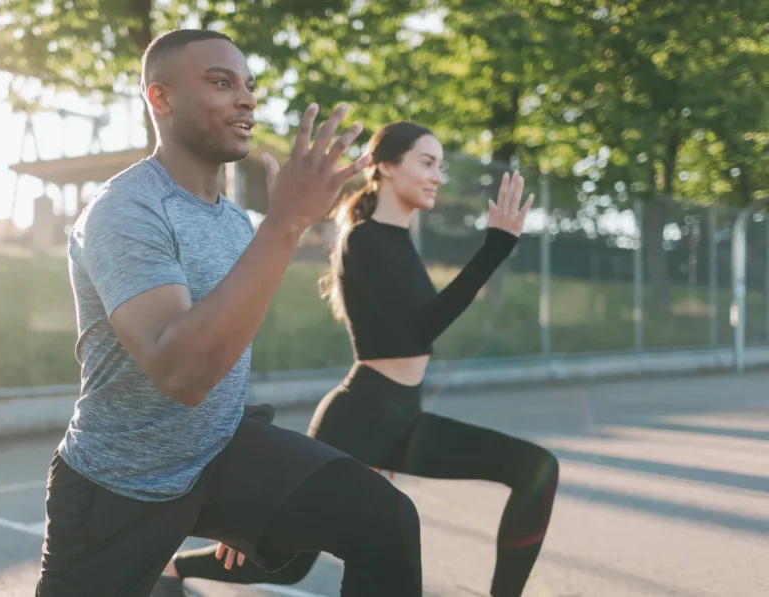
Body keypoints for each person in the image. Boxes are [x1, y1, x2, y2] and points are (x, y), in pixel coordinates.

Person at [34, 29, 427, 597]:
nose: (247, 98)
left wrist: (253, 493)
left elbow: (226, 344)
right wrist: (285, 224)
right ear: (160, 99)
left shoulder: (235, 221)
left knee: (384, 518)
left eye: (249, 85)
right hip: (121, 482)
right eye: (221, 83)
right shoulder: (124, 213)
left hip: (218, 453)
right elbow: (181, 374)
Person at [164, 122, 561, 597]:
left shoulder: (400, 241)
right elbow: (419, 330)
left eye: (441, 166)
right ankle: (172, 571)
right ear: (386, 167)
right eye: (427, 162)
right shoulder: (365, 240)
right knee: (287, 563)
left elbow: (419, 328)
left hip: (403, 417)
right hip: (360, 417)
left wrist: (495, 248)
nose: (438, 176)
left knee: (535, 468)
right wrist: (494, 247)